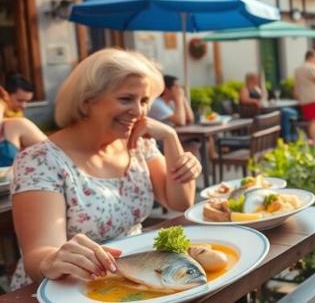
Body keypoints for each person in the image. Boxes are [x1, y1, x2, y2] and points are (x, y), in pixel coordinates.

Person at [11, 49, 201, 289]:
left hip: (131, 277)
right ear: (87, 101)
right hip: (63, 289)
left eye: (144, 101)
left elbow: (180, 201)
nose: (139, 111)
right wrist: (52, 260)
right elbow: (38, 254)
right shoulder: (40, 160)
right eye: (126, 99)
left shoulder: (139, 144)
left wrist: (171, 138)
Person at [0, 86, 46, 167]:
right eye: (20, 100)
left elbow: (56, 154)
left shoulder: (17, 125)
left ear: (4, 103)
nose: (24, 106)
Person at [294, 50, 315, 145]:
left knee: (313, 121)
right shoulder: (313, 67)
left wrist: (297, 96)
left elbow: (296, 86)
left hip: (304, 99)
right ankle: (313, 139)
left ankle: (312, 138)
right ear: (311, 57)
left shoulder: (298, 69)